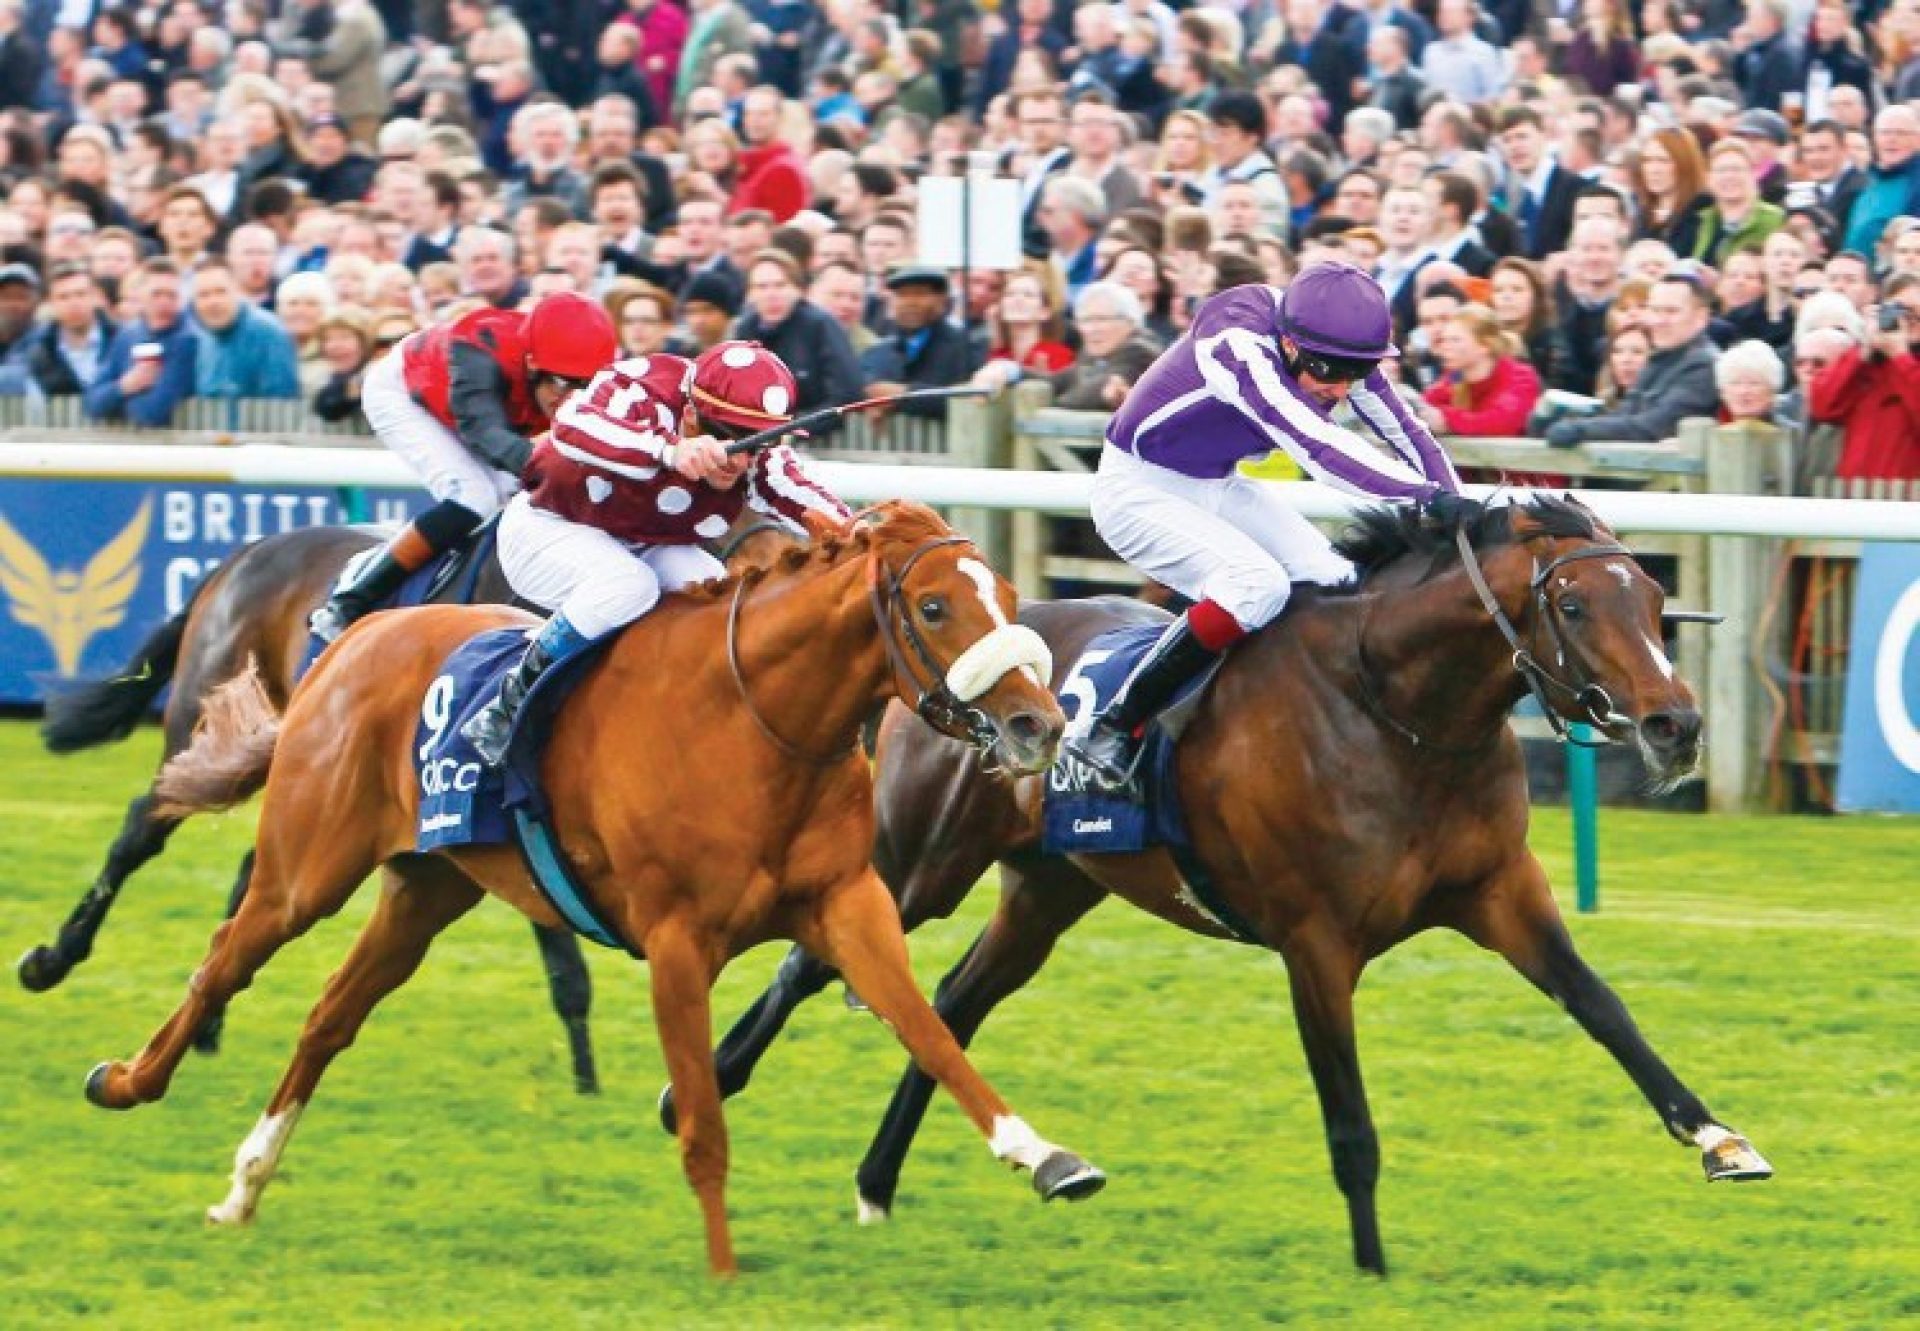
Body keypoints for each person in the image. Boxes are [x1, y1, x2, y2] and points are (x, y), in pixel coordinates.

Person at [1068, 261, 1464, 788]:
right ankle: (1114, 725)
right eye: (1328, 372)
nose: (1340, 389)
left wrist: (1458, 503)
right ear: (1291, 344)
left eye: (1355, 374)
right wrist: (1425, 500)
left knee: (1337, 581)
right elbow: (1318, 447)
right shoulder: (1236, 345)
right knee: (1256, 586)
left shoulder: (1332, 347)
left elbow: (1406, 430)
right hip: (1137, 490)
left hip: (1218, 483)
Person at [463, 343, 850, 761]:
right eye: (724, 436)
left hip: (643, 542)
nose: (739, 457)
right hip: (549, 526)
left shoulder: (757, 459)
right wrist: (668, 450)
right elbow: (571, 422)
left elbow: (814, 503)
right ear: (689, 413)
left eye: (755, 444)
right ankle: (506, 708)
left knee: (716, 593)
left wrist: (861, 531)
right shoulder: (642, 387)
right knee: (628, 586)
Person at [308, 290, 619, 641]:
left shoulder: (575, 374)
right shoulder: (479, 352)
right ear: (532, 365)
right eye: (562, 384)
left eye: (587, 385)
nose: (572, 400)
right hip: (406, 393)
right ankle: (350, 599)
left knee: (518, 497)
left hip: (482, 408)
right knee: (475, 496)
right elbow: (483, 432)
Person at [1546, 274, 1721, 447]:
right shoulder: (1660, 358)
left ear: (1701, 317)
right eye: (1654, 310)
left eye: (1671, 311)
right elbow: (1624, 415)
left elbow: (1653, 427)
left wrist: (1579, 430)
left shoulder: (1703, 365)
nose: (1659, 321)